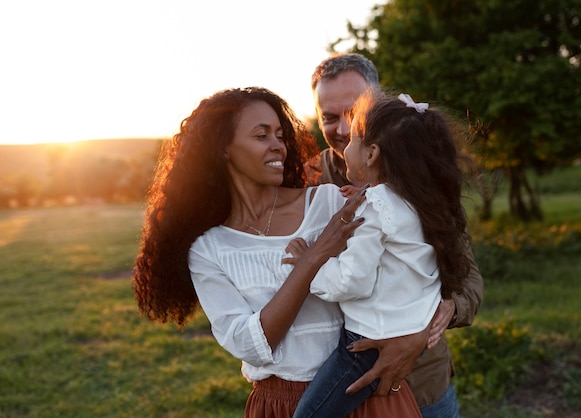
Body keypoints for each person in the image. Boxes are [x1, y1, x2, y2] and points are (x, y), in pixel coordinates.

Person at [132, 86, 425, 417]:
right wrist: (313, 258)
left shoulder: (330, 202)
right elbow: (251, 344)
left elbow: (411, 257)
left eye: (280, 135)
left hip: (367, 394)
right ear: (224, 149)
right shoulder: (210, 249)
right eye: (261, 135)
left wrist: (419, 334)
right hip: (281, 405)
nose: (278, 146)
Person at [306, 53, 484, 418]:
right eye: (329, 117)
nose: (341, 129)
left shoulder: (421, 177)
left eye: (353, 113)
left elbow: (468, 279)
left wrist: (425, 328)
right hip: (336, 387)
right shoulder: (308, 180)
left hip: (419, 386)